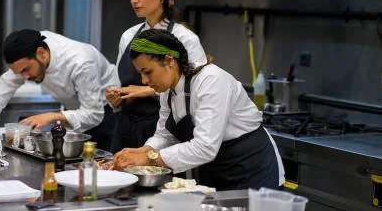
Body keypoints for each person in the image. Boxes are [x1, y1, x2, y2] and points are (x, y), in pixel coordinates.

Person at [113, 29, 284, 190]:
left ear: (169, 61)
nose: (144, 81)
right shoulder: (168, 90)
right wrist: (143, 150)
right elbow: (165, 135)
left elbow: (205, 147)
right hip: (216, 170)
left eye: (147, 72)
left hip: (252, 169)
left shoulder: (211, 81)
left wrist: (150, 159)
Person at [0, 29, 119, 151]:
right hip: (75, 111)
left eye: (26, 70)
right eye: (19, 72)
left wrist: (51, 116)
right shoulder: (31, 52)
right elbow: (6, 85)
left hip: (108, 111)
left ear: (42, 54)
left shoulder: (81, 63)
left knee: (99, 165)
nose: (24, 77)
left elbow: (94, 114)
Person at [106, 0, 208, 152]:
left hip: (162, 132)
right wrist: (116, 99)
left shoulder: (185, 38)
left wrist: (147, 91)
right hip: (125, 129)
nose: (134, 0)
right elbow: (119, 83)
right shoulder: (128, 36)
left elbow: (196, 92)